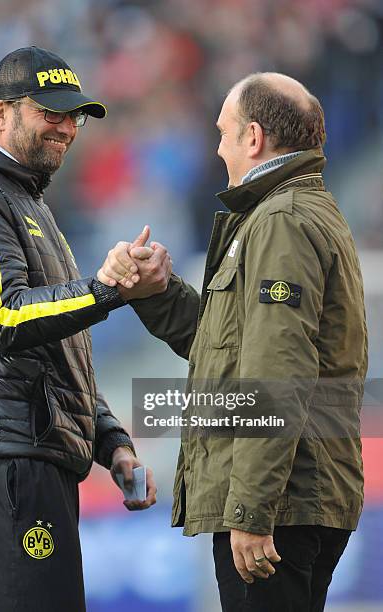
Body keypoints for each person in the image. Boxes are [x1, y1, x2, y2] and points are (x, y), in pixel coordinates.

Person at [98, 73, 368, 611]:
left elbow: (276, 369)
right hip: (292, 498)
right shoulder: (287, 215)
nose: (217, 146)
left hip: (281, 505)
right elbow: (224, 348)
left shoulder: (281, 221)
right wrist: (157, 293)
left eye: (222, 132)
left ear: (253, 137)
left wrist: (250, 511)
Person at [0, 46, 159, 612]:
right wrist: (105, 288)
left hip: (29, 451)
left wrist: (112, 443)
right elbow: (5, 314)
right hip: (2, 450)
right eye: (49, 112)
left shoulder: (24, 198)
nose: (68, 127)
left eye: (73, 115)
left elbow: (55, 350)